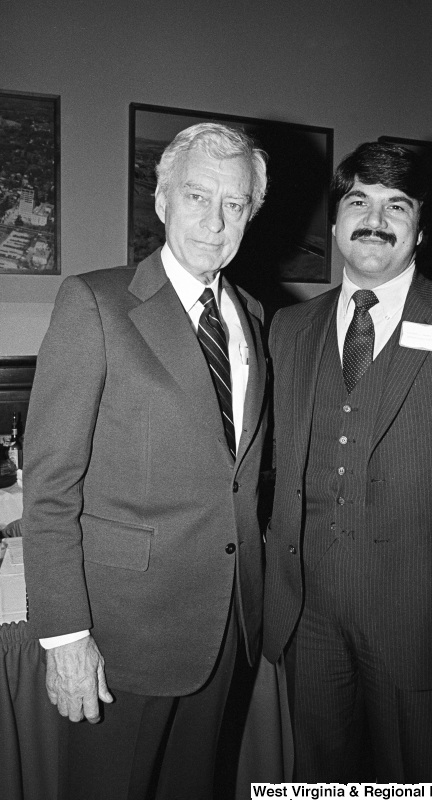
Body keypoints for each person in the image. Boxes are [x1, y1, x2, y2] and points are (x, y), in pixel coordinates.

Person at [263, 141, 432, 782]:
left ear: (420, 228)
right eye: (359, 201)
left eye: (397, 204)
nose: (374, 218)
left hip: (421, 609)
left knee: (418, 777)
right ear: (334, 223)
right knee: (322, 777)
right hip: (310, 613)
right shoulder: (288, 329)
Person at [22, 122, 269, 800]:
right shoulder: (95, 303)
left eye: (235, 203)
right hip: (121, 636)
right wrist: (65, 635)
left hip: (226, 626)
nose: (215, 222)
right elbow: (50, 489)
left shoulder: (250, 314)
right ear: (160, 201)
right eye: (196, 196)